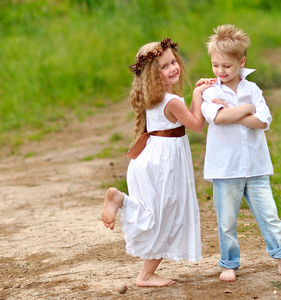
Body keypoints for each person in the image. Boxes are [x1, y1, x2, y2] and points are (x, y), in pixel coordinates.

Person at [201, 25, 281, 282]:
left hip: (257, 166)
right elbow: (218, 118)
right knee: (227, 221)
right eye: (215, 65)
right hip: (226, 169)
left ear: (241, 62)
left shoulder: (254, 90)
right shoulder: (211, 91)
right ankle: (229, 263)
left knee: (269, 215)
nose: (220, 71)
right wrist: (245, 110)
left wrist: (236, 110)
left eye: (226, 66)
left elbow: (262, 122)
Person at [101, 37, 215, 287]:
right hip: (165, 163)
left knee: (155, 214)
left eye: (173, 62)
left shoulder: (157, 97)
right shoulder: (171, 101)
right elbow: (196, 125)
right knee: (165, 217)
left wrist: (194, 93)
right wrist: (198, 94)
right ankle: (145, 275)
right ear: (153, 75)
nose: (173, 68)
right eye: (164, 66)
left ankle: (122, 200)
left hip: (149, 158)